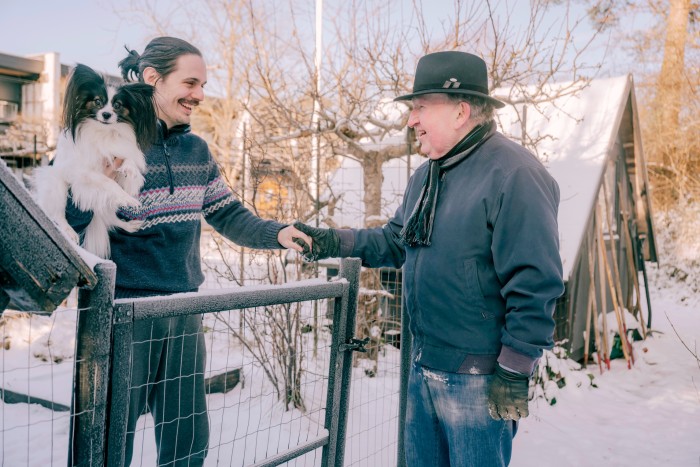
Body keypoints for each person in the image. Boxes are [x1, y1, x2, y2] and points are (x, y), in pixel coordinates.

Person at [294, 51, 564, 466]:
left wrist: (515, 367)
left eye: (421, 107)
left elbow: (536, 281)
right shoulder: (428, 175)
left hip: (478, 376)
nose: (411, 120)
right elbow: (395, 242)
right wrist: (331, 241)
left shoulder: (514, 174)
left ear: (460, 111)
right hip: (423, 364)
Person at [67, 37, 311, 466]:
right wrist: (85, 192)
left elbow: (227, 213)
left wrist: (278, 233)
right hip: (122, 313)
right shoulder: (104, 139)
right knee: (106, 436)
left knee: (187, 434)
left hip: (183, 307)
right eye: (191, 83)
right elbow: (67, 227)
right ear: (152, 79)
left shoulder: (196, 150)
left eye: (203, 85)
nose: (200, 95)